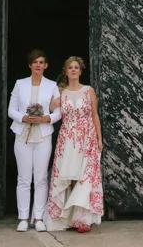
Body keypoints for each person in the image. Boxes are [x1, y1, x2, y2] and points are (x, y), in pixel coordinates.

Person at [46, 56, 104, 232]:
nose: (73, 70)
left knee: (85, 175)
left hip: (87, 136)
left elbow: (94, 114)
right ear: (65, 71)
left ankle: (84, 219)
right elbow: (53, 114)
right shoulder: (60, 92)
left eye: (76, 67)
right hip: (67, 137)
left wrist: (99, 138)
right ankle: (70, 217)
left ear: (80, 71)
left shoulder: (88, 90)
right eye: (70, 67)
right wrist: (50, 106)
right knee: (70, 176)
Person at [8, 49, 62, 233]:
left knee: (40, 178)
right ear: (30, 65)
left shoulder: (52, 85)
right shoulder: (19, 84)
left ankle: (38, 218)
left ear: (46, 66)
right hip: (22, 134)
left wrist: (46, 119)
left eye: (41, 62)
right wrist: (24, 118)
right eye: (35, 62)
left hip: (43, 135)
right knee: (23, 178)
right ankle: (23, 218)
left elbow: (58, 112)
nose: (38, 65)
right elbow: (11, 110)